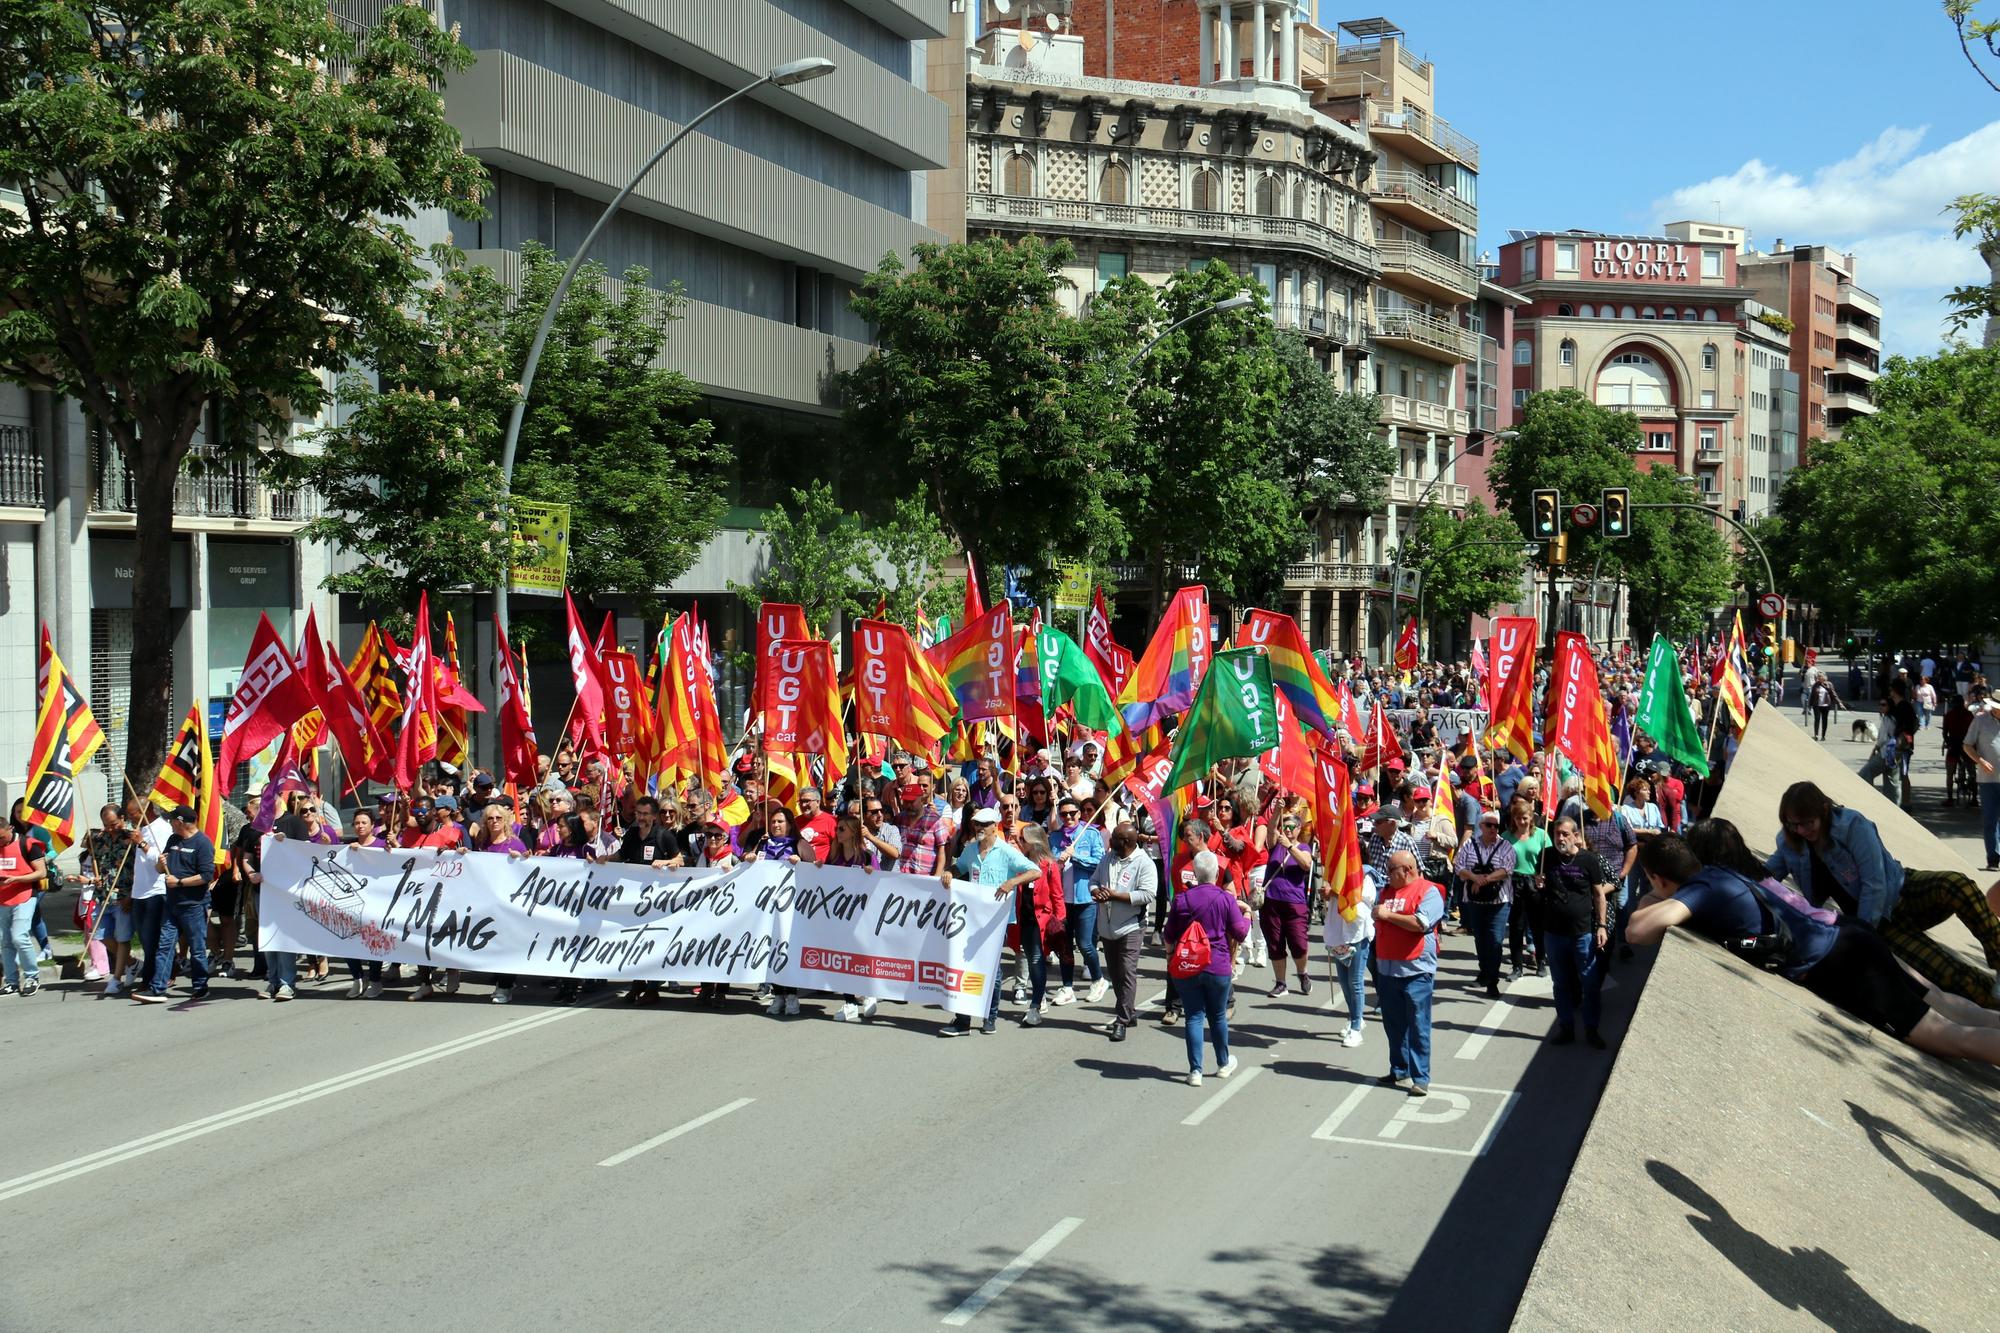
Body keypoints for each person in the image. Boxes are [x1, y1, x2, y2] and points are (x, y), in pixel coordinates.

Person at [1632, 830, 2000, 1068]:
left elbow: (1639, 931)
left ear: (1662, 878)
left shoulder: (1701, 889)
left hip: (1841, 964)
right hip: (1847, 932)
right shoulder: (1727, 873)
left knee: (1948, 1037)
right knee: (1946, 1004)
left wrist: (1655, 890)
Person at [1768, 781, 2000, 1007]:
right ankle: (1993, 997)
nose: (1801, 830)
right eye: (1793, 825)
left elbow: (1874, 883)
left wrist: (1861, 938)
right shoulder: (1790, 843)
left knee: (1957, 885)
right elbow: (1766, 876)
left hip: (1902, 890)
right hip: (1882, 927)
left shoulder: (1851, 825)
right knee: (1950, 976)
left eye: (1807, 823)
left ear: (1824, 810)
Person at [937, 807, 1040, 1036]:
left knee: (990, 969)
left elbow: (1035, 871)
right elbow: (959, 867)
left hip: (997, 919)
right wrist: (949, 873)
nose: (979, 828)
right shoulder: (970, 850)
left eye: (984, 824)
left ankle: (989, 1017)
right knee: (965, 965)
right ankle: (963, 1020)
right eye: (976, 823)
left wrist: (1012, 882)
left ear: (995, 825)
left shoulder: (1006, 851)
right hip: (971, 917)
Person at [1164, 849, 1249, 1087]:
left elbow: (1168, 934)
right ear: (1217, 873)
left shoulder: (1182, 899)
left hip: (1188, 964)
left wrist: (1170, 954)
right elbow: (1240, 933)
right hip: (1217, 965)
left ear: (1195, 873)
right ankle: (1223, 1064)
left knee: (1193, 1016)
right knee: (1218, 1015)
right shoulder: (1225, 899)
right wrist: (1249, 914)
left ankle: (1195, 1071)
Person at [1373, 850, 1445, 1095]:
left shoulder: (1428, 892)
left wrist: (1388, 915)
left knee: (1418, 1025)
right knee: (1393, 1025)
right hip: (1387, 969)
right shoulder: (1385, 892)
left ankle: (1420, 1077)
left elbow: (1420, 924)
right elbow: (1376, 914)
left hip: (1416, 971)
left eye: (1392, 870)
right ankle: (1399, 1069)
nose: (1387, 874)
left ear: (1408, 870)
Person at [1539, 816, 1614, 1047]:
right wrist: (1538, 883)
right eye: (1557, 834)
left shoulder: (1588, 860)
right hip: (1554, 934)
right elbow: (1540, 887)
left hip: (1582, 934)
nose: (1560, 838)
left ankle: (1591, 1029)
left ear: (1576, 836)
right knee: (1560, 984)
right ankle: (1566, 1027)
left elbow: (1599, 895)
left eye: (1565, 834)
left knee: (1590, 983)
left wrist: (1601, 926)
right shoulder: (1547, 857)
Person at [134, 805, 215, 1004]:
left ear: (180, 822)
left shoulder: (203, 843)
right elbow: (160, 868)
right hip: (172, 903)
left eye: (171, 820)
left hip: (193, 904)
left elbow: (206, 876)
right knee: (165, 945)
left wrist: (180, 882)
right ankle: (158, 988)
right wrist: (161, 864)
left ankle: (200, 986)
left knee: (196, 948)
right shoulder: (173, 839)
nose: (169, 822)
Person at [1089, 822, 1156, 1042]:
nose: (1110, 841)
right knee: (1116, 974)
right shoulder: (1108, 858)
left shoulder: (1144, 863)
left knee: (1127, 972)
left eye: (1115, 837)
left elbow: (1147, 895)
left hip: (1131, 926)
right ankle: (1129, 1010)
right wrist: (1097, 891)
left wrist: (1116, 896)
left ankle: (1122, 1020)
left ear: (1125, 842)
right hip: (1107, 927)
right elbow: (1094, 881)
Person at [1051, 798, 1107, 1005]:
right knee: (1064, 946)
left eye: (1072, 813)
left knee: (1085, 944)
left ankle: (1098, 979)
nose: (1068, 818)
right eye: (1064, 814)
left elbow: (1100, 864)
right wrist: (1057, 862)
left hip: (1085, 899)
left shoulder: (1090, 833)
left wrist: (1075, 858)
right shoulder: (1055, 837)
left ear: (1079, 813)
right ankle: (1067, 987)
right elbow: (1050, 866)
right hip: (1062, 901)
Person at [1260, 810, 1315, 998]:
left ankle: (1302, 973)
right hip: (1272, 901)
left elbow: (1306, 865)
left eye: (1291, 827)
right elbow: (1270, 828)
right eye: (1285, 827)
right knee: (1275, 944)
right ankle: (1281, 983)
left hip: (1294, 902)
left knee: (1299, 944)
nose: (1288, 830)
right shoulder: (1275, 844)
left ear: (1299, 829)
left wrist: (1291, 847)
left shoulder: (1304, 847)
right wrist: (1277, 810)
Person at [1012, 824, 1063, 1028]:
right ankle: (1038, 996)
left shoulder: (1049, 866)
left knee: (1035, 960)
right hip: (1023, 920)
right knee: (1029, 958)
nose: (1019, 843)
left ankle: (1036, 1001)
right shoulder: (1020, 863)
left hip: (1041, 921)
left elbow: (1057, 896)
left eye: (1022, 840)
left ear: (1034, 842)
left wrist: (1059, 923)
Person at [1325, 865, 1379, 1049]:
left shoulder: (1365, 874)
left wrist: (1336, 892)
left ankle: (1356, 1028)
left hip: (1357, 933)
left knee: (1355, 982)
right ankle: (1355, 1017)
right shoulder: (1336, 870)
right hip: (1338, 933)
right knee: (1343, 981)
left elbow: (1367, 899)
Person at [0, 816, 48, 995]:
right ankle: (11, 981)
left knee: (19, 937)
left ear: (10, 828)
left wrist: (16, 879)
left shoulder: (28, 844)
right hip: (2, 899)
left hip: (25, 896)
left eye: (2, 838)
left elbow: (41, 872)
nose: (0, 842)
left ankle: (32, 977)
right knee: (4, 941)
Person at [1503, 796, 1550, 980]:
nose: (1522, 821)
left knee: (1537, 926)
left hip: (1535, 883)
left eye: (1525, 818)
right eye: (1518, 818)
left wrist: (1543, 876)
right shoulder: (1506, 837)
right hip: (1514, 884)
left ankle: (1541, 961)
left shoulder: (1540, 835)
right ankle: (1516, 967)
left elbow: (1549, 860)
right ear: (1513, 819)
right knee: (1516, 927)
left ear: (1531, 818)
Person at [1965, 696, 2000, 870]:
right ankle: (1993, 858)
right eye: (1995, 707)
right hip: (1987, 780)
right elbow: (1967, 745)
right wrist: (1980, 761)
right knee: (1990, 820)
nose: (1997, 710)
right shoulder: (1980, 720)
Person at [1808, 672, 1843, 742]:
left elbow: (1833, 694)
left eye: (1820, 676)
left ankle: (1823, 735)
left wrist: (1839, 703)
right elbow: (1812, 695)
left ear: (1824, 677)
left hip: (1826, 705)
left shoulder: (1829, 684)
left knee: (1825, 720)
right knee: (1817, 719)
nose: (1819, 678)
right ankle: (1816, 735)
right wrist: (1809, 705)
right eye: (1818, 677)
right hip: (1817, 705)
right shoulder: (1816, 685)